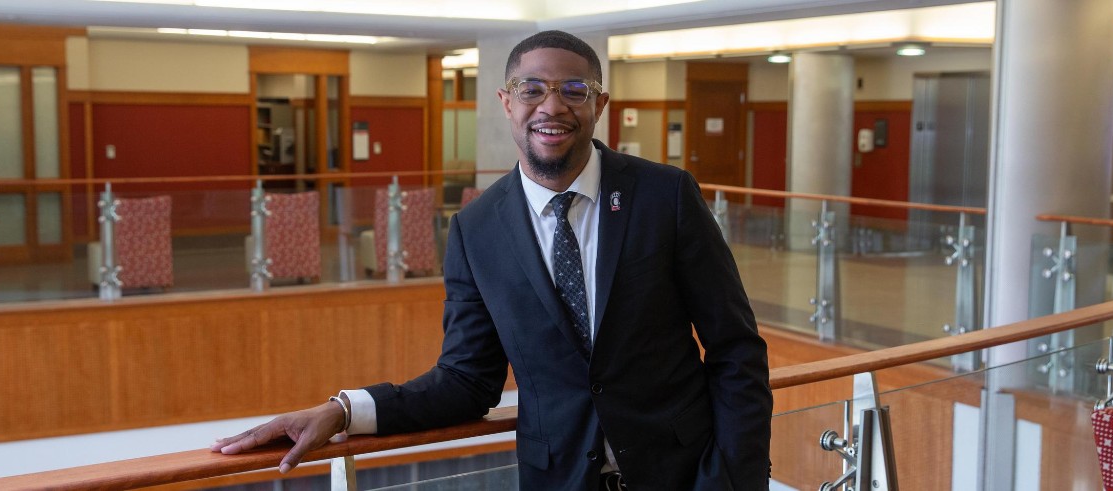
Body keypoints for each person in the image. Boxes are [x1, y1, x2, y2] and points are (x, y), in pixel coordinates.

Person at [213, 30, 772, 490]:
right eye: (531, 89)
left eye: (574, 89)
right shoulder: (476, 229)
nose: (552, 106)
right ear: (506, 101)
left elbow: (734, 347)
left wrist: (735, 477)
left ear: (599, 105)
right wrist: (343, 410)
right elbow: (467, 381)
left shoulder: (665, 196)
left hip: (685, 475)